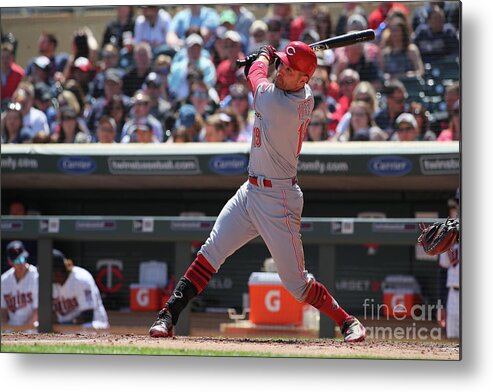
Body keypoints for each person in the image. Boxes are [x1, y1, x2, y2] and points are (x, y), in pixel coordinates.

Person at [148, 41, 366, 343]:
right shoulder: (297, 90)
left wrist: (263, 54)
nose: (282, 72)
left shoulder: (280, 103)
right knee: (210, 252)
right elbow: (266, 70)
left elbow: (255, 74)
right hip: (251, 191)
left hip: (278, 200)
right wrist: (273, 57)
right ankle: (168, 315)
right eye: (282, 65)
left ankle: (348, 321)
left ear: (303, 81)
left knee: (297, 285)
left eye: (289, 70)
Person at [52, 249, 109, 329]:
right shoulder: (49, 285)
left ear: (58, 271)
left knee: (87, 327)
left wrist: (65, 325)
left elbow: (88, 316)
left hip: (94, 323)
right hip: (66, 327)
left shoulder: (81, 279)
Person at [1, 241, 39, 329]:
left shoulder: (36, 276)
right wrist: (5, 327)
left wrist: (21, 331)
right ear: (10, 261)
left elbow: (37, 311)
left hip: (32, 329)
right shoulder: (4, 280)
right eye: (17, 261)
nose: (21, 263)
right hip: (10, 329)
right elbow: (2, 311)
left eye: (22, 259)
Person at [379, 15, 424, 80]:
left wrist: (407, 75)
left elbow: (420, 72)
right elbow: (381, 73)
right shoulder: (385, 53)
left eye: (396, 30)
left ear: (403, 32)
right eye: (392, 31)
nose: (394, 34)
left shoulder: (411, 50)